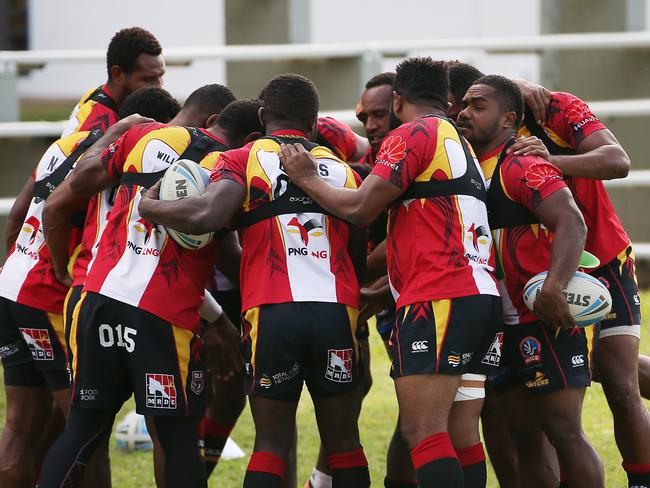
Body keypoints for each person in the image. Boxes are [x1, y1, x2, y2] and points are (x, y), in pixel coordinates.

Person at [277, 58, 501, 488]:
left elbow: (361, 207)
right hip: (478, 297)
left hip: (441, 299)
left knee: (425, 433)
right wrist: (384, 289)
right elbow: (428, 227)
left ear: (398, 100)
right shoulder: (459, 142)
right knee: (460, 433)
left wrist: (307, 178)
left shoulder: (414, 132)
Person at [139, 73, 371, 488]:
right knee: (345, 442)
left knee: (270, 443)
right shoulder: (344, 174)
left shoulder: (242, 158)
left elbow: (207, 216)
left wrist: (150, 208)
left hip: (273, 312)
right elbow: (356, 254)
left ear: (263, 115)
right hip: (337, 312)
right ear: (315, 122)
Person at [38, 96, 262, 487]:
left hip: (96, 297)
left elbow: (79, 182)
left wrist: (115, 132)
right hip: (162, 315)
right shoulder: (231, 166)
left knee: (82, 428)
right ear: (252, 138)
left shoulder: (144, 135)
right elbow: (227, 256)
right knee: (177, 440)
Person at [0, 87, 180, 487]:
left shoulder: (63, 146)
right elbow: (59, 211)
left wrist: (14, 264)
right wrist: (61, 271)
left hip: (13, 282)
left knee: (20, 425)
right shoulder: (128, 157)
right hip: (49, 292)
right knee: (86, 429)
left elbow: (16, 213)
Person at [457, 74, 604, 487]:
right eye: (464, 104)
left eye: (478, 106)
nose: (465, 113)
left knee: (565, 434)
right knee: (525, 440)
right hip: (496, 324)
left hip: (542, 316)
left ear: (508, 119)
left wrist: (554, 287)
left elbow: (572, 222)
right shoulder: (467, 168)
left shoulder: (521, 162)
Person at [507, 88, 650, 488]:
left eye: (474, 102)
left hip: (603, 259)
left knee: (619, 380)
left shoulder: (553, 108)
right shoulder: (464, 134)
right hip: (538, 274)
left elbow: (617, 160)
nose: (464, 110)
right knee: (555, 395)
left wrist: (550, 160)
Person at [61, 27, 165, 137]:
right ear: (118, 74)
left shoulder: (105, 94)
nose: (160, 87)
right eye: (148, 79)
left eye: (161, 77)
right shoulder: (96, 128)